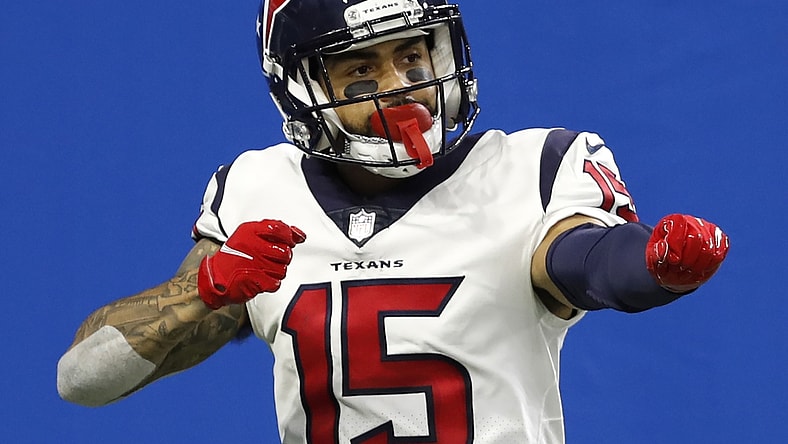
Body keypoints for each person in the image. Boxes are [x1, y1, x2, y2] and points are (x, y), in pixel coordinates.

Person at [57, 1, 730, 443]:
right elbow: (80, 380)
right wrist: (206, 289)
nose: (404, 84)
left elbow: (576, 260)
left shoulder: (530, 165)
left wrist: (649, 263)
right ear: (304, 88)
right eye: (362, 68)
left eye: (413, 55)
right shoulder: (258, 188)